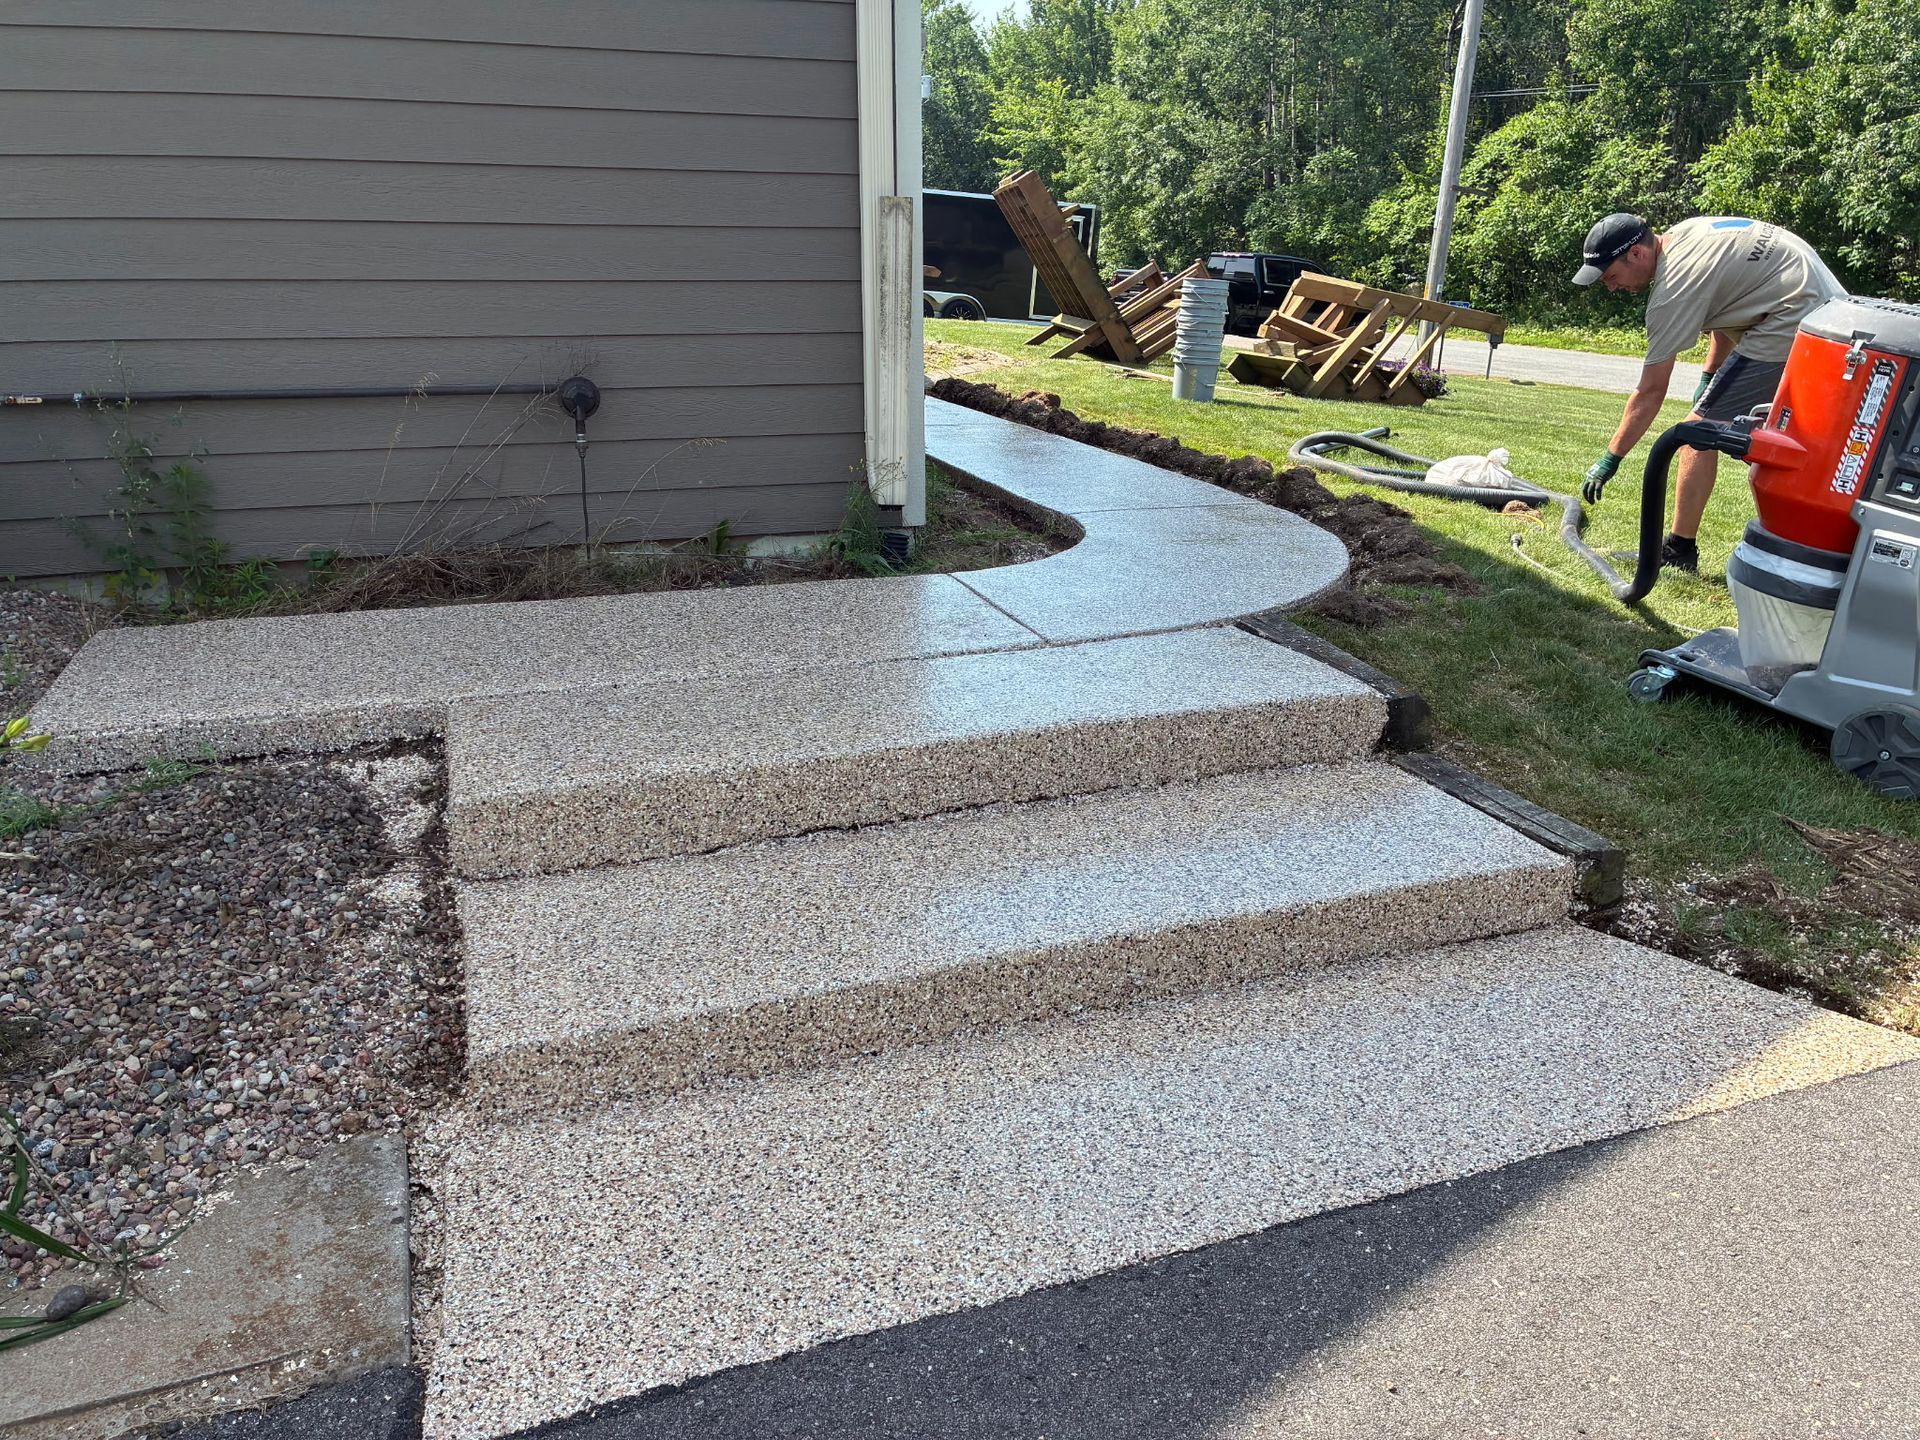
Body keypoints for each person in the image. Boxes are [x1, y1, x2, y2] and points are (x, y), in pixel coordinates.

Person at [1573, 213, 1846, 570]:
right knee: (1793, 435)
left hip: (1794, 315)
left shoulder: (1674, 287)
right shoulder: (1685, 234)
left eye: (1611, 276)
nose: (1611, 287)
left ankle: (1679, 551)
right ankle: (1810, 546)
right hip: (1833, 311)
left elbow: (1650, 392)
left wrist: (1611, 458)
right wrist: (1710, 374)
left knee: (1696, 434)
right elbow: (1728, 301)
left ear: (1637, 254)